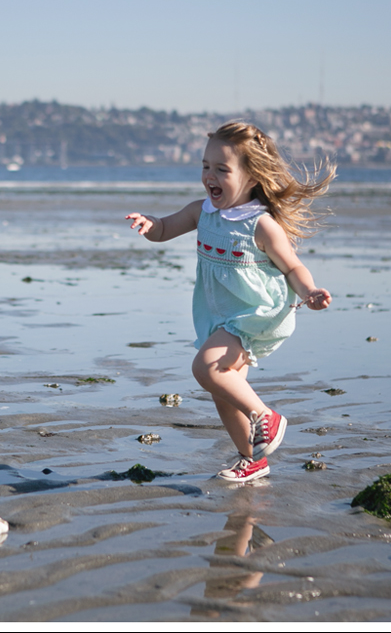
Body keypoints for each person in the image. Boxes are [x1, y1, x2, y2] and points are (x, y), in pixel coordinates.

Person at [126, 121, 335, 482]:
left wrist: (309, 292)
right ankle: (252, 458)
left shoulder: (261, 225)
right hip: (218, 315)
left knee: (206, 369)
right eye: (206, 167)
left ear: (252, 177)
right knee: (222, 393)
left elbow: (293, 266)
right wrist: (150, 224)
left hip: (255, 315)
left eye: (222, 169)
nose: (210, 176)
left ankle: (266, 417)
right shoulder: (201, 211)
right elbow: (165, 229)